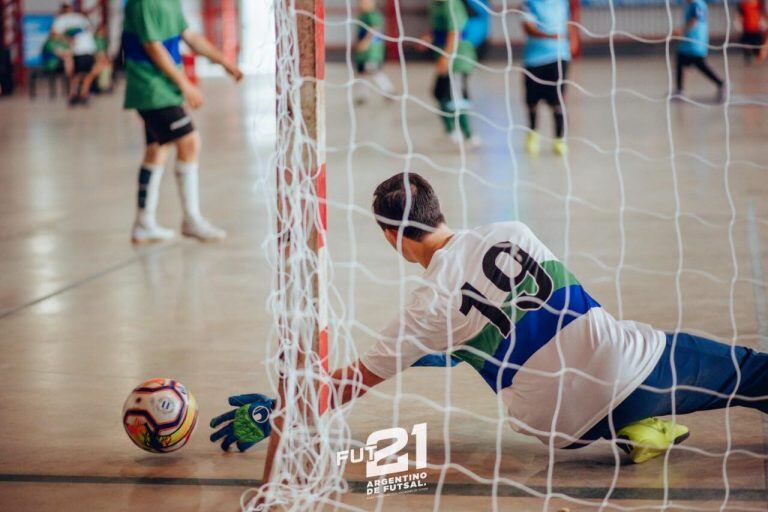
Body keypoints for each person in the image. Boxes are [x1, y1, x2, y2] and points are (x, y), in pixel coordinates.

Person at [212, 172, 768, 465]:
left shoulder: (424, 311)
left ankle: (637, 429)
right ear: (440, 211)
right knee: (749, 371)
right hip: (632, 371)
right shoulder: (513, 232)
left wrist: (281, 412)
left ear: (390, 237)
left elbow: (351, 383)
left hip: (556, 428)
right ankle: (646, 413)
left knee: (510, 361)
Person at [122, 0, 243, 244]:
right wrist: (185, 84)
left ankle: (144, 223)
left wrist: (223, 61)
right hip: (151, 88)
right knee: (189, 142)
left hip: (163, 88)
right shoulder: (145, 3)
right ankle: (191, 220)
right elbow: (152, 46)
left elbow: (190, 36)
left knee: (157, 149)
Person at [426, 0, 481, 148]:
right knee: (439, 93)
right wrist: (427, 38)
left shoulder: (452, 5)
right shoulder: (435, 6)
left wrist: (446, 57)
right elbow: (438, 31)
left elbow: (454, 33)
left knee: (456, 98)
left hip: (457, 60)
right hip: (445, 58)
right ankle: (451, 131)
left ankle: (469, 135)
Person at [521, 0, 573, 157]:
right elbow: (527, 27)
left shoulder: (562, 3)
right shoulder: (530, 3)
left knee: (558, 100)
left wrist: (572, 40)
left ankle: (559, 140)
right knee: (532, 101)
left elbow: (568, 23)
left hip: (558, 56)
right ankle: (533, 136)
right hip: (534, 59)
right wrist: (548, 36)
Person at [674, 0, 724, 102]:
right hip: (691, 41)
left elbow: (694, 20)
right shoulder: (693, 4)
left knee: (699, 64)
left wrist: (681, 30)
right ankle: (679, 90)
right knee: (681, 60)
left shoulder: (696, 4)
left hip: (694, 40)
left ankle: (721, 84)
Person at [52, 1, 97, 105]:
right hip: (83, 49)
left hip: (83, 49)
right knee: (83, 74)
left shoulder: (68, 19)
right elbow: (54, 34)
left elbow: (54, 34)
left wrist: (67, 38)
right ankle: (79, 94)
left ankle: (79, 94)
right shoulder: (71, 19)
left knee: (83, 74)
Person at [353, 0, 394, 105]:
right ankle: (363, 96)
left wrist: (366, 42)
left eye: (365, 1)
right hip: (362, 52)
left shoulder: (374, 15)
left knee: (373, 70)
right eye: (361, 2)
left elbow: (375, 29)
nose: (362, 4)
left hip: (372, 51)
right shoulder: (361, 16)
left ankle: (388, 90)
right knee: (361, 73)